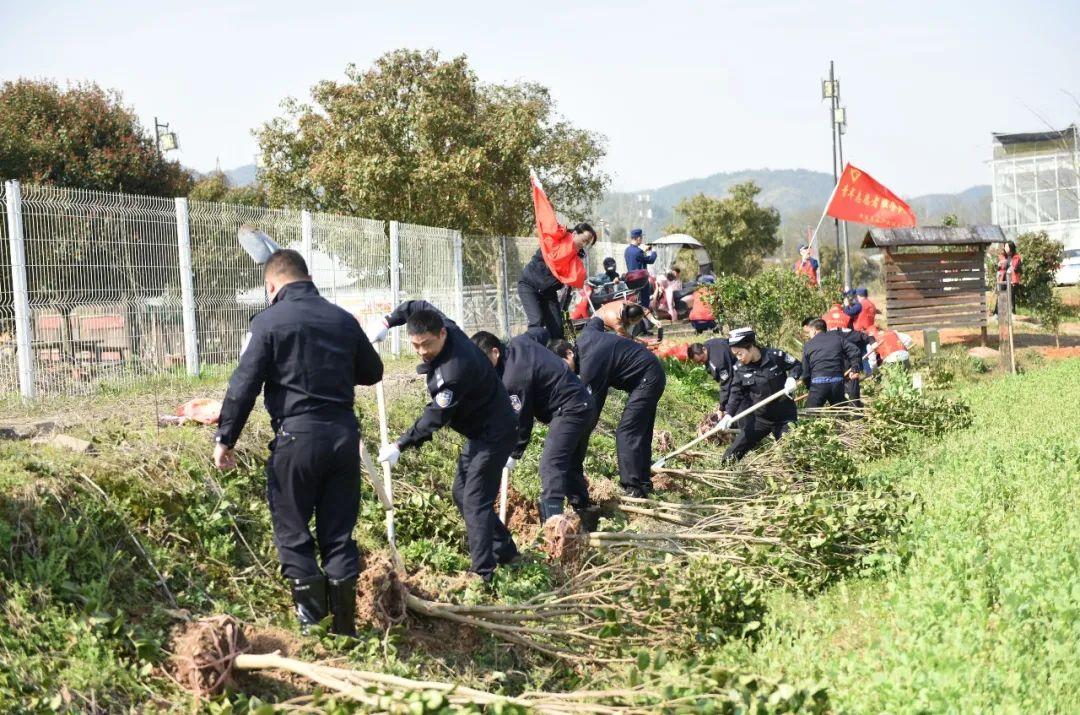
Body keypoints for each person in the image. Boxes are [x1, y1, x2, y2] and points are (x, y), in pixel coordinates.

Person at [213, 249, 383, 636]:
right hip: (343, 437)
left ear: (271, 285)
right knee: (338, 535)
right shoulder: (342, 319)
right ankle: (344, 630)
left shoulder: (268, 322)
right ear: (307, 277)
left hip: (297, 437)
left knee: (293, 531)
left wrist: (226, 437)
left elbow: (244, 385)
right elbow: (373, 372)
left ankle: (314, 628)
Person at [370, 301, 519, 582]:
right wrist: (388, 322)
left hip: (495, 433)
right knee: (461, 493)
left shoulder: (454, 371)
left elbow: (434, 417)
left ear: (442, 335)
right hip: (480, 431)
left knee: (475, 499)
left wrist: (400, 445)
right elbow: (417, 305)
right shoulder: (443, 323)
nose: (422, 352)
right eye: (415, 346)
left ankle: (482, 574)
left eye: (426, 344)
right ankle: (507, 551)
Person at [470, 330, 599, 527]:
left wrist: (514, 453)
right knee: (570, 462)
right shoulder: (520, 342)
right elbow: (541, 332)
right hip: (584, 403)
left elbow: (521, 421)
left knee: (551, 464)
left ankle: (553, 526)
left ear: (495, 352)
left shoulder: (514, 377)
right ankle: (585, 514)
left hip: (570, 409)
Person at [571, 313, 666, 498]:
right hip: (652, 372)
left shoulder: (590, 364)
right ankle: (644, 482)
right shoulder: (587, 337)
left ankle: (633, 487)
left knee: (627, 431)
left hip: (647, 378)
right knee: (641, 431)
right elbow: (596, 321)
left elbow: (591, 410)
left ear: (569, 353)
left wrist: (577, 439)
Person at [717, 328, 801, 462]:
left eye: (740, 353)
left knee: (793, 456)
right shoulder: (740, 368)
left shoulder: (774, 356)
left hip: (784, 418)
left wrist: (792, 378)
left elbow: (796, 365)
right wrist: (728, 414)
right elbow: (736, 393)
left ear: (750, 347)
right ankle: (726, 475)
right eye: (735, 355)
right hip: (760, 418)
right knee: (731, 455)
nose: (739, 358)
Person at [517, 221, 596, 341]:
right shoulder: (556, 241)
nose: (584, 244)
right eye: (584, 240)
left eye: (587, 243)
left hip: (548, 292)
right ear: (574, 233)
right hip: (529, 285)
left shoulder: (576, 257)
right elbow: (547, 221)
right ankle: (527, 353)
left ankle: (560, 357)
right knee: (537, 323)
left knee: (557, 328)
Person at [800, 318, 862, 408]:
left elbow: (805, 373)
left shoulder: (808, 345)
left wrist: (810, 387)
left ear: (813, 330)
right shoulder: (838, 339)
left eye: (809, 332)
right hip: (837, 383)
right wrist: (855, 368)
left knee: (810, 416)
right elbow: (855, 351)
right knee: (841, 413)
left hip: (818, 384)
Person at [688, 337, 750, 425]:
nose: (702, 363)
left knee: (738, 405)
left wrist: (721, 408)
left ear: (703, 349)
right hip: (734, 367)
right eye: (699, 362)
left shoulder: (719, 362)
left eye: (702, 360)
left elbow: (726, 384)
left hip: (744, 371)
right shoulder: (708, 344)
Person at [624, 228, 657, 307]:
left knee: (636, 302)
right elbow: (650, 260)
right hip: (640, 280)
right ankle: (645, 313)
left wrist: (644, 251)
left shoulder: (627, 250)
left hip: (631, 281)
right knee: (645, 301)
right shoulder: (638, 251)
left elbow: (637, 258)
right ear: (638, 238)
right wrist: (654, 251)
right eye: (641, 238)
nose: (641, 240)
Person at [993, 240, 1022, 314]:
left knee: (1011, 296)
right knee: (1001, 295)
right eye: (1005, 246)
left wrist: (1010, 264)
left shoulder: (1016, 257)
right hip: (1003, 279)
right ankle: (996, 313)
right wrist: (999, 265)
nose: (1005, 248)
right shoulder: (1002, 256)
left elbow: (1015, 267)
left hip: (1012, 280)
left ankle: (1012, 313)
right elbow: (999, 269)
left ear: (1011, 247)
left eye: (1007, 246)